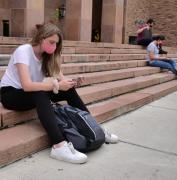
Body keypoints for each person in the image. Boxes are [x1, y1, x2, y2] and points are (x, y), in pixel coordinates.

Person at [0, 23, 118, 164]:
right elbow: (27, 85)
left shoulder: (48, 56)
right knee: (40, 93)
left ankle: (94, 128)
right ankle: (59, 146)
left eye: (56, 44)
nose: (54, 47)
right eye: (51, 42)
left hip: (32, 93)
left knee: (67, 90)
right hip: (10, 94)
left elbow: (62, 80)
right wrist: (55, 85)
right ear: (41, 38)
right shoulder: (24, 51)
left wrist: (72, 83)